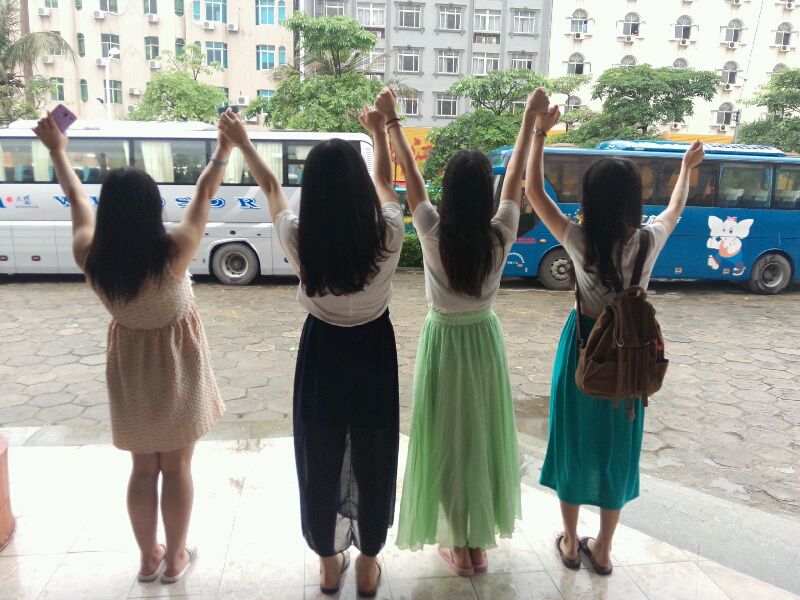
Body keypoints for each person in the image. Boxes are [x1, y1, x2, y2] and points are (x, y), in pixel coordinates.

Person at [33, 112, 231, 583]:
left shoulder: (90, 254)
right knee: (177, 465)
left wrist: (58, 151)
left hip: (130, 367)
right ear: (151, 207)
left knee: (143, 468)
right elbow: (204, 193)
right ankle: (175, 557)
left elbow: (76, 200)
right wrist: (224, 148)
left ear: (109, 212)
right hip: (177, 365)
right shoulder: (175, 251)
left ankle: (147, 558)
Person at [218, 108, 403, 596]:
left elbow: (270, 187)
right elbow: (386, 183)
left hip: (322, 353)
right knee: (374, 451)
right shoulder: (389, 232)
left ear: (313, 191)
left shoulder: (299, 236)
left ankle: (327, 563)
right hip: (373, 352)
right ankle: (368, 564)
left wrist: (242, 141)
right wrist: (378, 131)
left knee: (319, 452)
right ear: (360, 188)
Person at [524, 102, 705, 575]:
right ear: (631, 201)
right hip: (631, 358)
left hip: (583, 349)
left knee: (572, 441)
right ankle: (602, 549)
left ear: (591, 198)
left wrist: (540, 132)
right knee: (616, 450)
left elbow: (533, 191)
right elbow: (675, 208)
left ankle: (570, 543)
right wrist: (685, 168)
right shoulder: (647, 241)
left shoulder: (578, 240)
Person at [385, 87, 548, 574]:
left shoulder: (432, 230)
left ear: (450, 193)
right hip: (483, 341)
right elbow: (515, 177)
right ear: (486, 192)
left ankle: (458, 546)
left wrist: (392, 123)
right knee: (481, 438)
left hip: (444, 343)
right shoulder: (501, 233)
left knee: (446, 441)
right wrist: (529, 120)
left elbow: (411, 177)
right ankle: (477, 545)